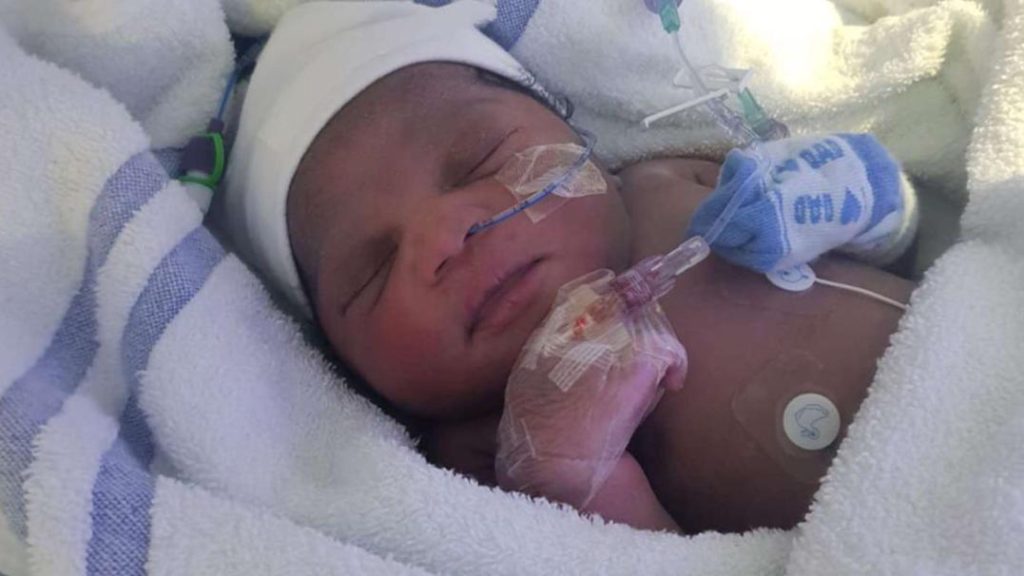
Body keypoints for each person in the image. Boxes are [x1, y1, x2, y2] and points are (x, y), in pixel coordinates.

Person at [222, 1, 915, 534]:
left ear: (579, 139)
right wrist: (574, 478)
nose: (445, 237)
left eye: (480, 161)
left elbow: (901, 240)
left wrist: (861, 199)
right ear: (351, 369)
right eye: (373, 270)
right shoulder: (481, 452)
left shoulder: (667, 180)